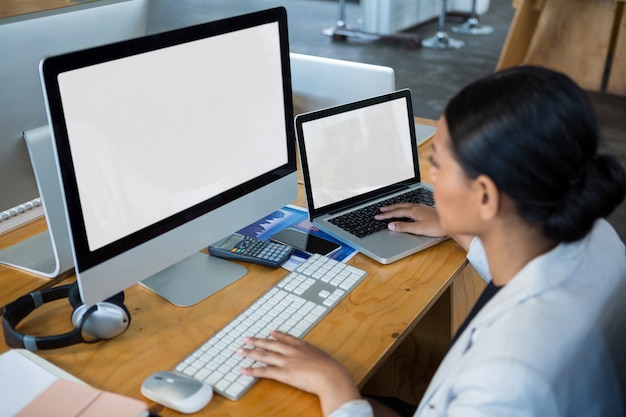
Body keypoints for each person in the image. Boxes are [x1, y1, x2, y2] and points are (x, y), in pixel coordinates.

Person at [236, 66, 626, 416]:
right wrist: (458, 224)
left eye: (437, 163)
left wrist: (334, 384)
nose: (431, 177)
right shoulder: (601, 238)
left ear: (486, 197)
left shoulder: (504, 380)